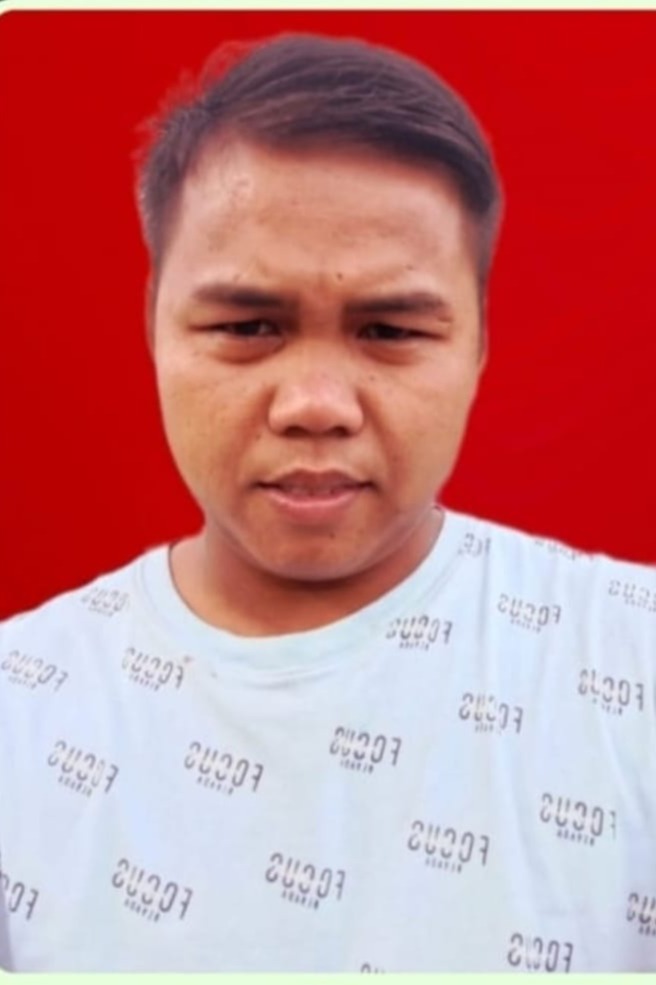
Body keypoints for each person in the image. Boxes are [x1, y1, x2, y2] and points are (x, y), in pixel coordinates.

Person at [0, 31, 654, 973]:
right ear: (153, 324)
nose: (314, 404)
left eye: (388, 330)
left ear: (478, 343)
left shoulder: (631, 662)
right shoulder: (23, 706)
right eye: (248, 325)